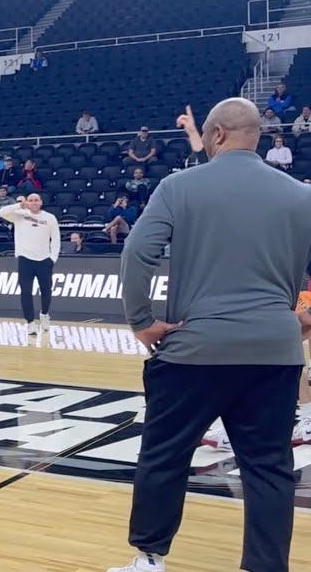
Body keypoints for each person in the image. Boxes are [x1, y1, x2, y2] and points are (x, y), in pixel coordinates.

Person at [109, 97, 311, 572]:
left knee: (165, 457)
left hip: (193, 352)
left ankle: (150, 560)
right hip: (275, 352)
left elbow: (137, 254)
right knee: (268, 467)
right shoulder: (302, 195)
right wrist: (307, 316)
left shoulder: (178, 187)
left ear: (215, 134)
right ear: (256, 136)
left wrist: (141, 321)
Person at [0, 194, 60, 335]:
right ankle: (30, 322)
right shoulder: (20, 215)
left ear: (41, 202)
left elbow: (56, 240)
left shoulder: (50, 218)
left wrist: (52, 259)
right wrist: (19, 205)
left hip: (44, 259)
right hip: (25, 258)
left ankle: (44, 314)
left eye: (36, 200)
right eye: (30, 200)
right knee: (26, 291)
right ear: (27, 202)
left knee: (46, 290)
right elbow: (1, 212)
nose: (33, 203)